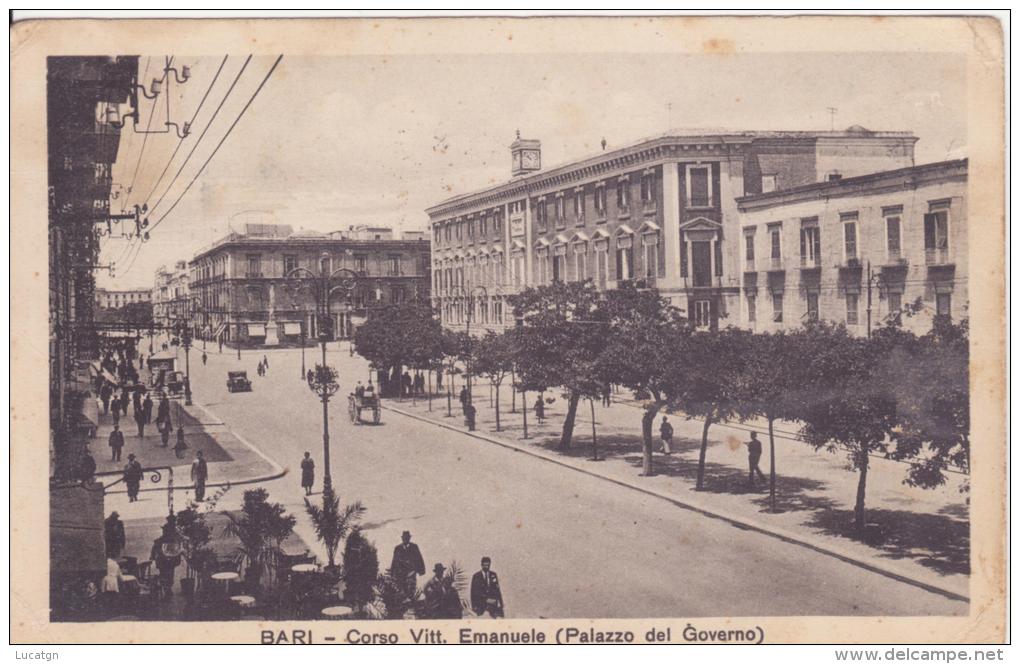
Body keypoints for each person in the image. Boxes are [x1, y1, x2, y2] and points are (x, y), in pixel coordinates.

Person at [390, 531, 425, 599]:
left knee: (411, 589)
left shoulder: (414, 547)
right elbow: (394, 560)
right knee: (402, 590)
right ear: (402, 538)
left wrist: (421, 570)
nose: (405, 539)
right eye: (404, 538)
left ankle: (411, 603)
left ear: (409, 538)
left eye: (407, 538)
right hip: (401, 573)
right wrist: (392, 572)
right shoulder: (397, 548)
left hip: (411, 572)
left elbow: (419, 558)